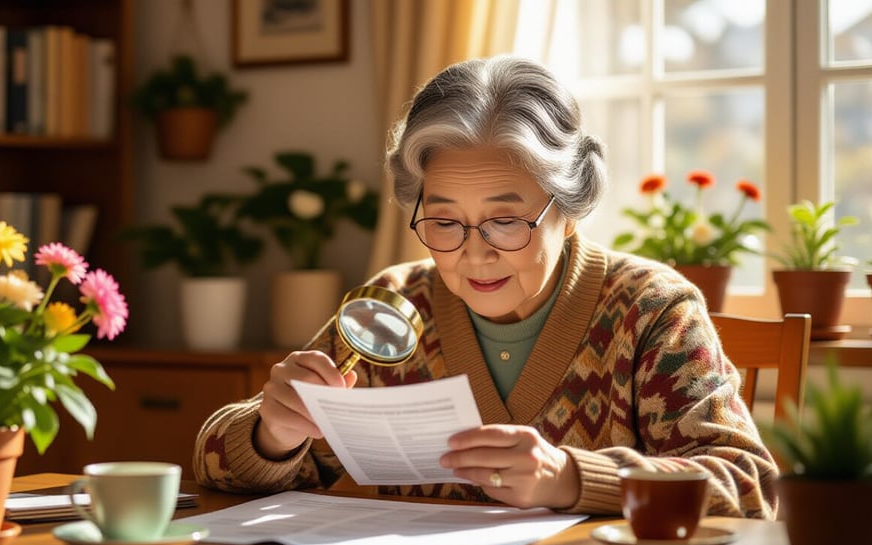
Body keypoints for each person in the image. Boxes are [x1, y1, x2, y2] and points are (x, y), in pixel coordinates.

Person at [194, 55, 778, 519]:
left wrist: (571, 479)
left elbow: (750, 484)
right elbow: (214, 465)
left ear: (569, 210)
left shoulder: (649, 309)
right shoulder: (394, 306)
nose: (475, 252)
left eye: (505, 220)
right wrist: (272, 433)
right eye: (444, 221)